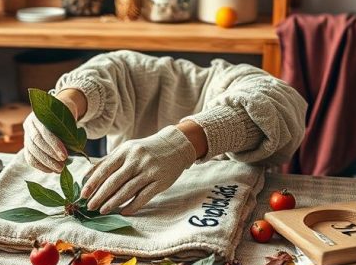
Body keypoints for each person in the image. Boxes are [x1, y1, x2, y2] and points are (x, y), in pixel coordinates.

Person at [23, 51, 306, 216]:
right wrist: (63, 106)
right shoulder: (135, 77)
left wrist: (183, 143)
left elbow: (279, 102)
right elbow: (111, 69)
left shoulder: (238, 82)